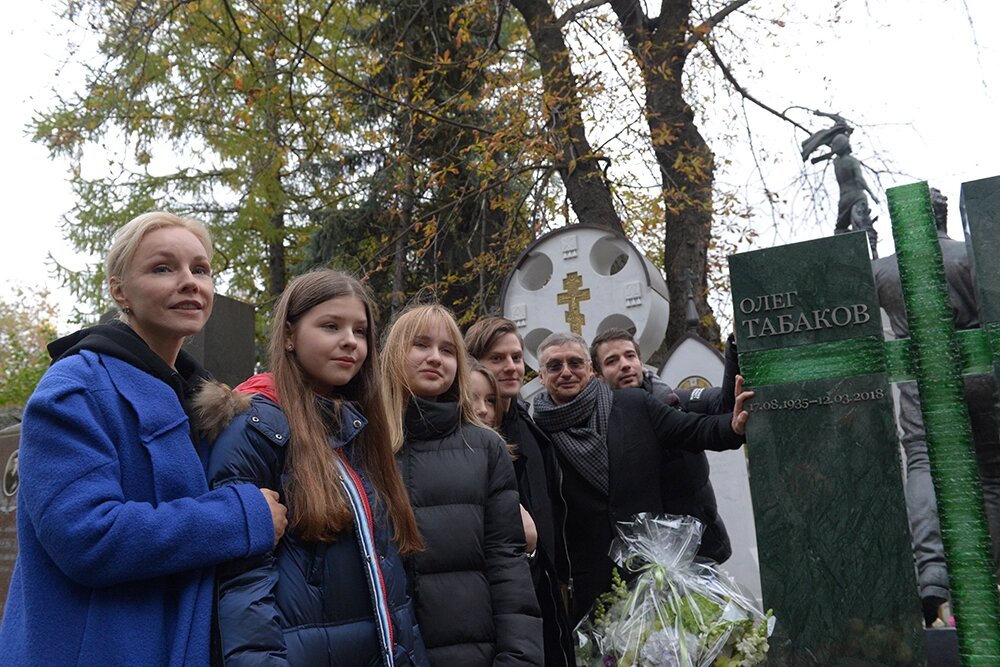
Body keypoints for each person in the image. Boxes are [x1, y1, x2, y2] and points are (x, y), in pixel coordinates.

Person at [0, 212, 286, 666]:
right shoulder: (75, 389)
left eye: (201, 269)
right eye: (163, 268)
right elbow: (89, 537)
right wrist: (240, 517)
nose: (190, 282)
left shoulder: (202, 402)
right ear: (120, 291)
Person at [203, 269, 429, 665]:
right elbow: (243, 586)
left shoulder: (358, 431)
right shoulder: (258, 430)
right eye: (331, 326)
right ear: (289, 335)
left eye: (360, 331)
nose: (350, 341)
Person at [531, 332, 752, 623]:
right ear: (541, 376)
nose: (566, 372)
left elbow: (693, 430)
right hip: (590, 586)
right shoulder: (536, 435)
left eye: (575, 363)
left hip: (655, 573)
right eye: (554, 366)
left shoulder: (634, 404)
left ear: (590, 370)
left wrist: (733, 428)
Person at [382, 305, 543, 666]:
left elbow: (507, 564)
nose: (435, 358)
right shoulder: (366, 444)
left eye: (447, 350)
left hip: (474, 652)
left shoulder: (485, 447)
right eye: (421, 345)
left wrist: (519, 657)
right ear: (394, 353)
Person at [872, 187, 1000, 626]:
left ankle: (931, 572)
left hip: (920, 378)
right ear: (943, 218)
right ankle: (988, 573)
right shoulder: (968, 256)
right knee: (990, 471)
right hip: (978, 374)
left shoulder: (883, 272)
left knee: (922, 460)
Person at [465, 317, 574, 667]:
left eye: (516, 357)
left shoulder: (530, 425)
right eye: (498, 358)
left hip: (545, 589)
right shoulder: (470, 440)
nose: (512, 367)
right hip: (502, 599)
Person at [589, 327, 737, 563]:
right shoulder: (597, 426)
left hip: (701, 552)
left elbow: (725, 406)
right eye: (612, 361)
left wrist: (736, 347)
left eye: (630, 356)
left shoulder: (677, 402)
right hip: (640, 562)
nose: (625, 365)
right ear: (597, 375)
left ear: (641, 362)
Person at [831, 132, 879, 257]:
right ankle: (871, 251)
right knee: (862, 224)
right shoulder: (852, 161)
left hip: (844, 199)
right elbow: (859, 179)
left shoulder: (836, 163)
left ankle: (847, 251)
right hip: (857, 196)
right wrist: (872, 194)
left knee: (840, 229)